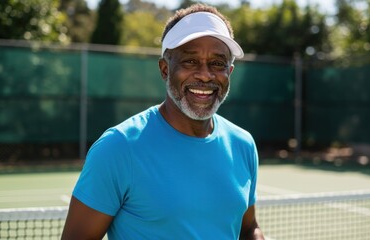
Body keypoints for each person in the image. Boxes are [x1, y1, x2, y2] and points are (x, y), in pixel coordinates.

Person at [61, 3, 265, 240]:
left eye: (217, 63)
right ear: (165, 69)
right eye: (190, 61)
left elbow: (248, 228)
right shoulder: (118, 147)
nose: (205, 74)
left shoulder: (243, 144)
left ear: (229, 72)